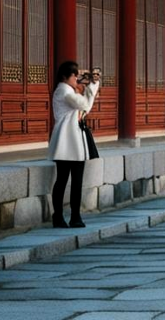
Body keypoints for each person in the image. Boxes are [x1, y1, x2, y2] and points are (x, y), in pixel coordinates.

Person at [48, 61, 99, 228]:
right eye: (74, 75)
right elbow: (84, 104)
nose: (77, 78)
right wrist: (90, 87)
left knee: (73, 180)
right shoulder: (64, 91)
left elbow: (85, 109)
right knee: (64, 179)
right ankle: (62, 216)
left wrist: (92, 85)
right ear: (65, 76)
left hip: (73, 138)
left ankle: (73, 216)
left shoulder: (70, 91)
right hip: (66, 138)